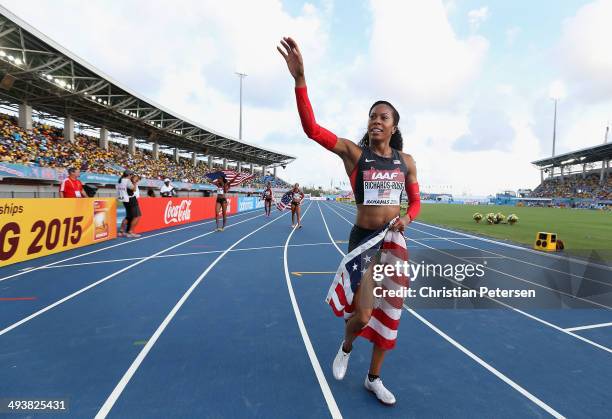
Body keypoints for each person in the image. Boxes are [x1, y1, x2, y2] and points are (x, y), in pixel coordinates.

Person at [278, 36, 421, 405]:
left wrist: (408, 216)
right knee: (363, 313)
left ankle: (374, 378)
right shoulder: (354, 155)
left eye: (382, 116)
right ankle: (345, 346)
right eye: (372, 115)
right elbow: (312, 129)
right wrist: (299, 80)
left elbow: (416, 202)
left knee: (390, 313)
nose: (375, 120)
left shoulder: (407, 162)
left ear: (394, 126)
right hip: (365, 241)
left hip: (394, 242)